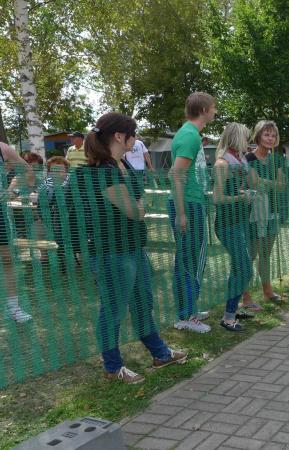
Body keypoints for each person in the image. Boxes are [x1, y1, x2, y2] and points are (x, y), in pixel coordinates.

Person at [76, 112, 186, 384]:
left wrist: (138, 206)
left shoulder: (122, 164)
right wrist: (139, 206)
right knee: (113, 310)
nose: (136, 139)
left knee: (142, 303)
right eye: (133, 134)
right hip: (111, 252)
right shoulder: (104, 171)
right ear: (119, 136)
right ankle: (113, 367)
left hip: (134, 247)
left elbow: (136, 205)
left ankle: (160, 354)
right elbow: (134, 211)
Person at [169, 92, 215, 333]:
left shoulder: (189, 134)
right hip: (188, 204)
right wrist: (181, 213)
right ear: (204, 110)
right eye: (213, 108)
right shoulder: (189, 136)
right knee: (191, 260)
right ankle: (186, 315)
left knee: (187, 259)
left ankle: (189, 309)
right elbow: (176, 174)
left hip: (190, 202)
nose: (215, 112)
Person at [213, 123, 257, 332]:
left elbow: (245, 185)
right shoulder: (222, 163)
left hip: (240, 221)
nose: (248, 141)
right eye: (246, 138)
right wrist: (242, 197)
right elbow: (217, 198)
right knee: (245, 268)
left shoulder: (240, 160)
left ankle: (232, 311)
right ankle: (228, 317)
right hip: (227, 224)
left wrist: (246, 193)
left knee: (238, 268)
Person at [242, 120, 286, 310]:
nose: (270, 138)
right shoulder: (248, 158)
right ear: (258, 136)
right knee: (250, 255)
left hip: (273, 211)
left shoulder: (277, 159)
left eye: (273, 135)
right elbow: (253, 182)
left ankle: (267, 291)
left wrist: (265, 182)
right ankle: (245, 296)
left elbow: (282, 185)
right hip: (253, 213)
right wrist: (271, 183)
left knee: (266, 254)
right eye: (267, 134)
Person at [0, 142, 34, 322]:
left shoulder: (3, 148)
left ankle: (13, 308)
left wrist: (13, 191)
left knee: (7, 259)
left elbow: (27, 171)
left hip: (0, 214)